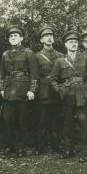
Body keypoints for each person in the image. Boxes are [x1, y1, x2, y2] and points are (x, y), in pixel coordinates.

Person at [50, 30, 87, 162]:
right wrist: (59, 90)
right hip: (67, 95)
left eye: (75, 42)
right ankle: (67, 150)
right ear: (66, 45)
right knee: (67, 124)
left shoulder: (85, 58)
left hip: (82, 94)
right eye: (71, 42)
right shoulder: (60, 61)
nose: (74, 44)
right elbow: (52, 79)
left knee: (84, 125)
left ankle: (84, 152)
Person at [0, 25, 39, 157]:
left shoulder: (28, 53)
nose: (13, 38)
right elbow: (2, 74)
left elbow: (34, 74)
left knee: (23, 121)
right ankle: (10, 146)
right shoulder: (5, 54)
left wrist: (32, 90)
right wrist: (2, 89)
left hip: (23, 90)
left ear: (21, 38)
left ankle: (21, 147)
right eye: (11, 36)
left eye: (16, 36)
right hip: (9, 91)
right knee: (7, 119)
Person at [34, 27, 63, 155]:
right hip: (43, 91)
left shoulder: (61, 55)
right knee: (41, 120)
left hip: (56, 91)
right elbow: (34, 75)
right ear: (41, 39)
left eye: (51, 35)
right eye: (46, 36)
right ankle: (40, 146)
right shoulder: (36, 56)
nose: (49, 37)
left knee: (56, 120)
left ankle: (56, 146)